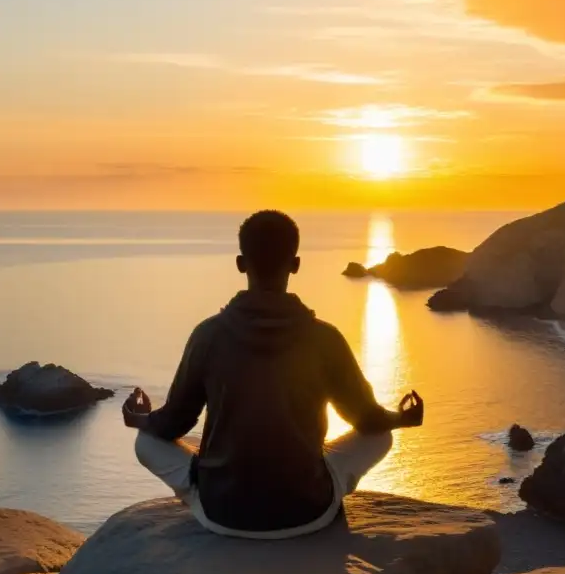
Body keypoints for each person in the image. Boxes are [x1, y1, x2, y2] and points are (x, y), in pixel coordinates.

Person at [123, 210, 424, 539]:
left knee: (145, 443)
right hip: (309, 512)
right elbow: (367, 421)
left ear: (241, 263)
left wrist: (141, 418)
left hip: (222, 513)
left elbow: (174, 424)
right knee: (382, 437)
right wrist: (402, 418)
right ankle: (311, 486)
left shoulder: (208, 335)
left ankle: (202, 493)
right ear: (295, 264)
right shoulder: (325, 337)